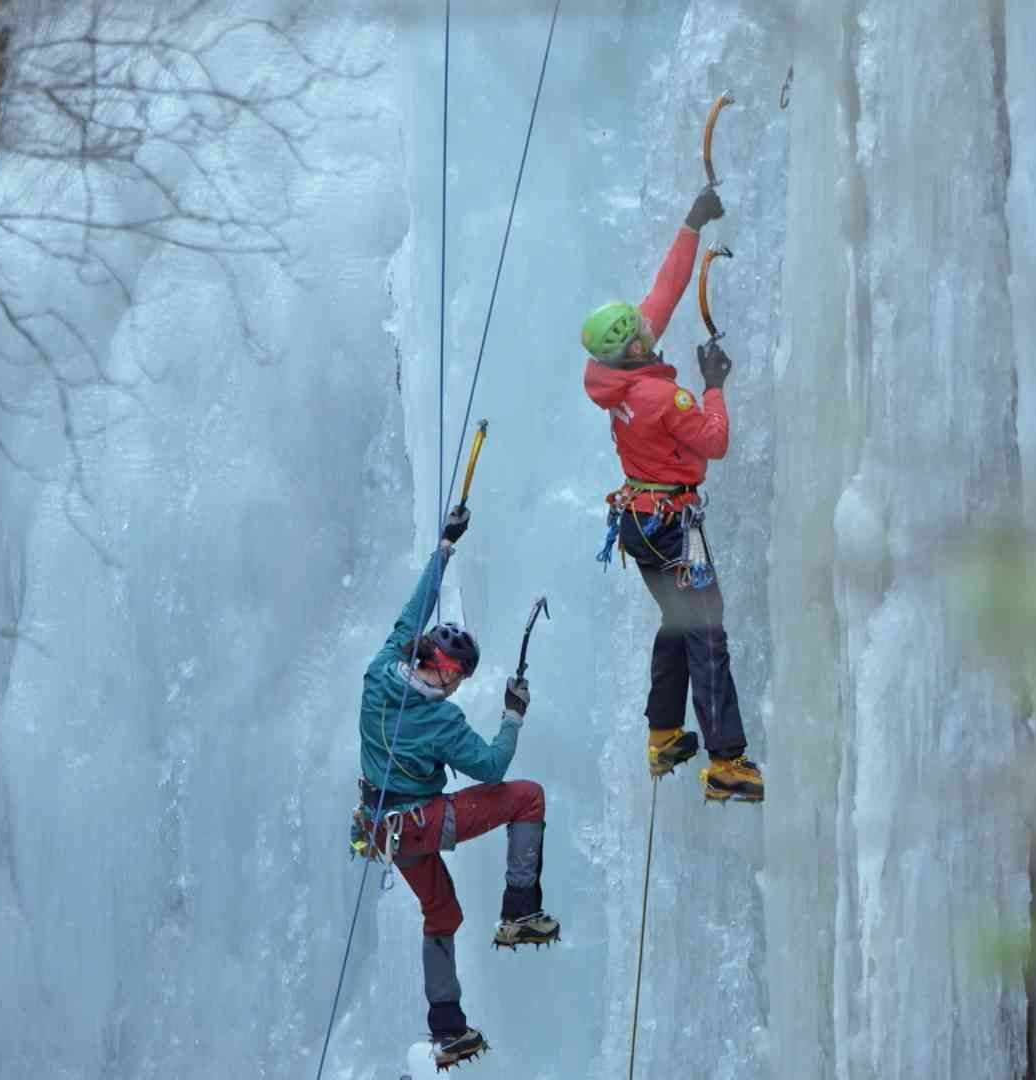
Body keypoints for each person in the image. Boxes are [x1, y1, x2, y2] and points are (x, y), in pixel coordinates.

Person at [353, 506, 558, 1071]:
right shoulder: (441, 723)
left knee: (442, 914)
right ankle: (519, 909)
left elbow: (410, 613)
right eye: (459, 677)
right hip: (421, 822)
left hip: (382, 831)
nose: (457, 687)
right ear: (444, 670)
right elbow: (491, 767)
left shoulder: (379, 670)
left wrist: (444, 546)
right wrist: (514, 714)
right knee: (528, 796)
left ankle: (449, 1031)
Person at [579, 188, 764, 803]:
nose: (650, 331)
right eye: (642, 334)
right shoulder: (661, 398)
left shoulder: (615, 379)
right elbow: (714, 442)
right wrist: (713, 386)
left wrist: (690, 225)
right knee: (706, 632)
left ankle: (663, 734)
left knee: (677, 621)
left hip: (640, 522)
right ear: (634, 347)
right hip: (669, 527)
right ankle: (726, 762)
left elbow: (667, 287)